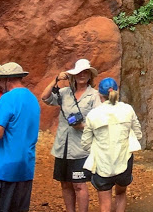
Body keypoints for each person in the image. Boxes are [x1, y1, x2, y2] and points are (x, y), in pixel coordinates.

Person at [41, 59, 100, 212]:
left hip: (81, 147)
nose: (82, 75)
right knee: (65, 183)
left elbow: (98, 122)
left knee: (79, 184)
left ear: (89, 75)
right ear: (73, 75)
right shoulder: (65, 92)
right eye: (79, 72)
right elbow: (45, 97)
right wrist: (56, 79)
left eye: (85, 72)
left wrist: (82, 126)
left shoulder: (94, 96)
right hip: (62, 146)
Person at [81, 78, 142, 212]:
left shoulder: (93, 114)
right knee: (120, 193)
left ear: (99, 94)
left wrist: (98, 149)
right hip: (124, 161)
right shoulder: (128, 109)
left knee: (105, 203)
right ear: (117, 91)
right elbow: (138, 134)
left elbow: (85, 143)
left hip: (102, 163)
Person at [0, 62, 40, 212]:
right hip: (26, 167)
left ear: (7, 80)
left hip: (4, 168)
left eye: (0, 80)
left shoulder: (7, 98)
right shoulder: (33, 98)